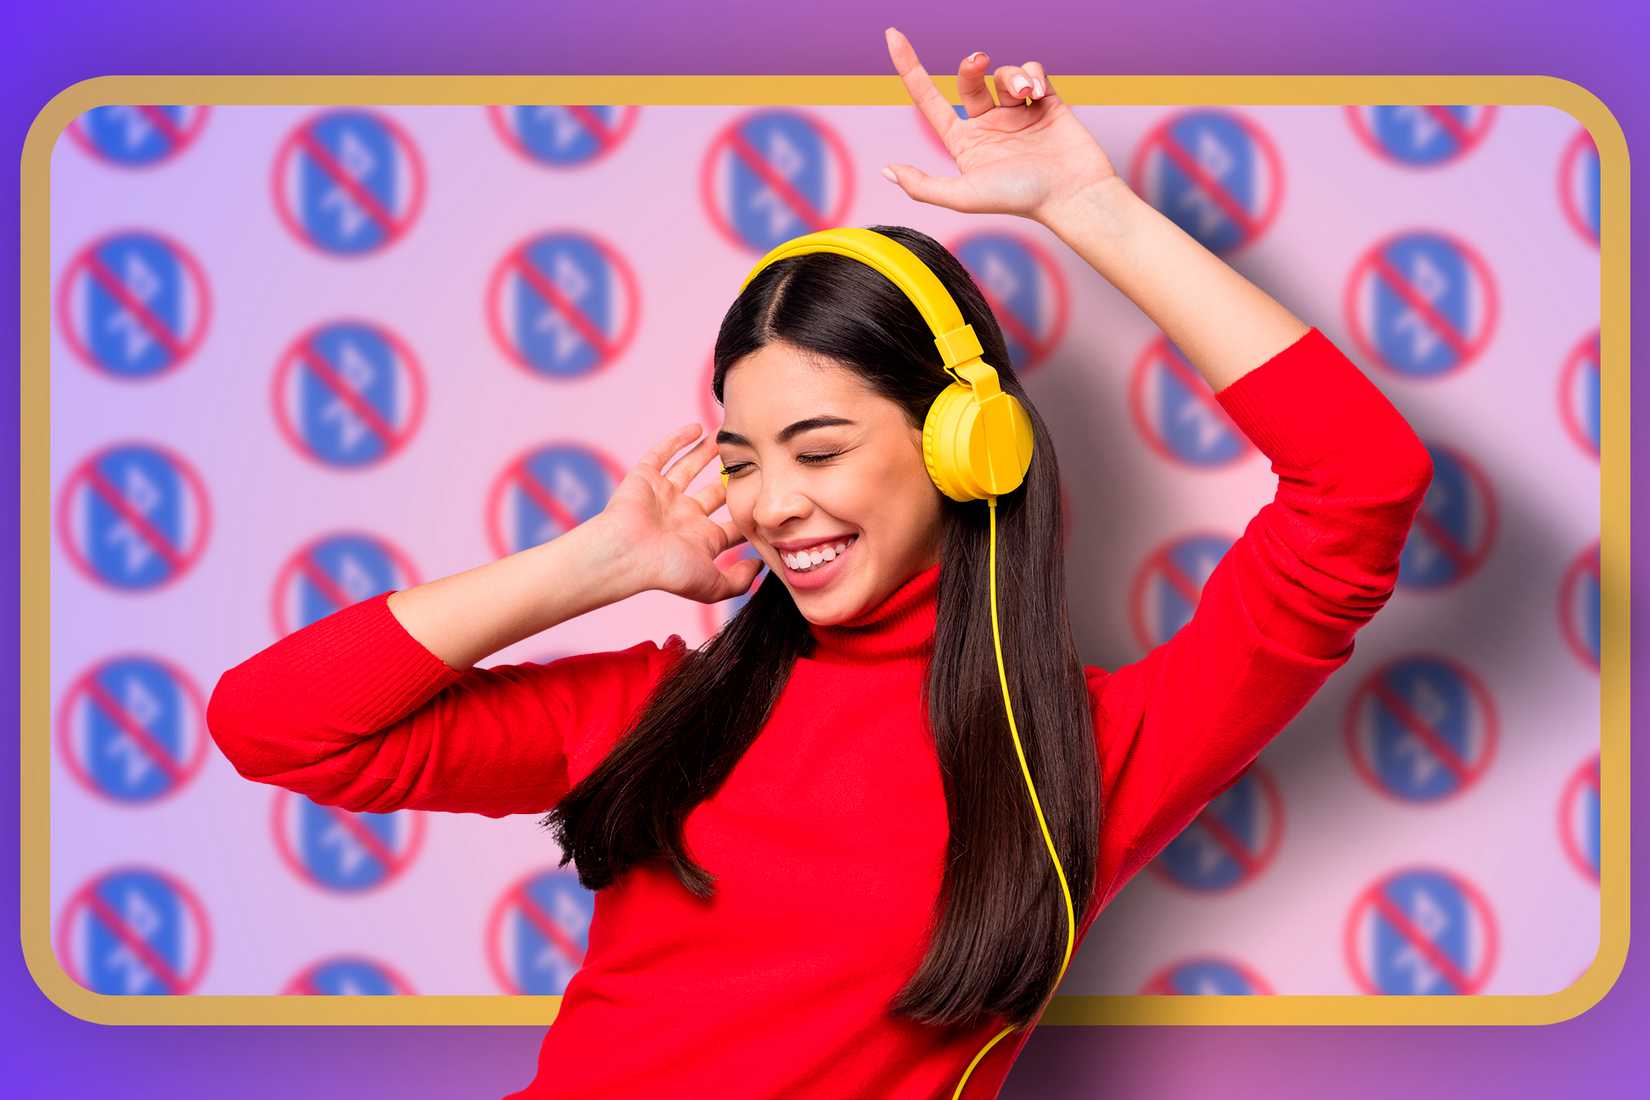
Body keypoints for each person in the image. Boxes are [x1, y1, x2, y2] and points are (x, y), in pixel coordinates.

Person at [206, 27, 1434, 1100]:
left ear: (967, 442)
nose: (776, 502)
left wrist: (1086, 205)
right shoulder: (655, 708)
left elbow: (1362, 484)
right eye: (741, 457)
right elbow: (277, 726)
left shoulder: (1087, 749)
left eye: (821, 447)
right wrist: (603, 559)